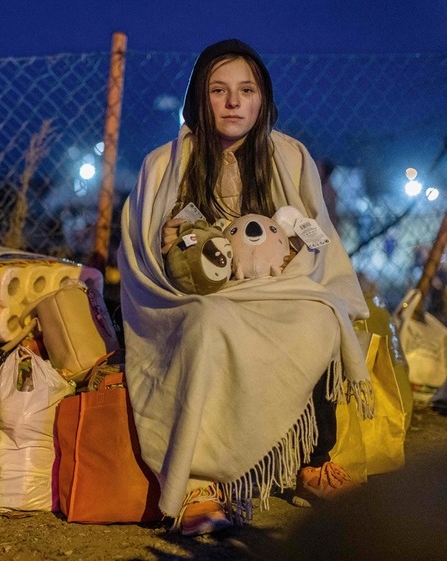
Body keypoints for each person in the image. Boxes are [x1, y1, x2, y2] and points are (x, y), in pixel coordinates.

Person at [117, 39, 373, 537]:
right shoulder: (164, 164)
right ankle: (199, 483)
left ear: (262, 99)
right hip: (198, 296)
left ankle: (311, 460)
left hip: (277, 288)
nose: (233, 102)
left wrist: (291, 261)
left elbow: (317, 237)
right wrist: (172, 248)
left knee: (320, 314)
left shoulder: (290, 155)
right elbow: (144, 252)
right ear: (199, 98)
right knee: (209, 323)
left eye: (246, 90)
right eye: (219, 90)